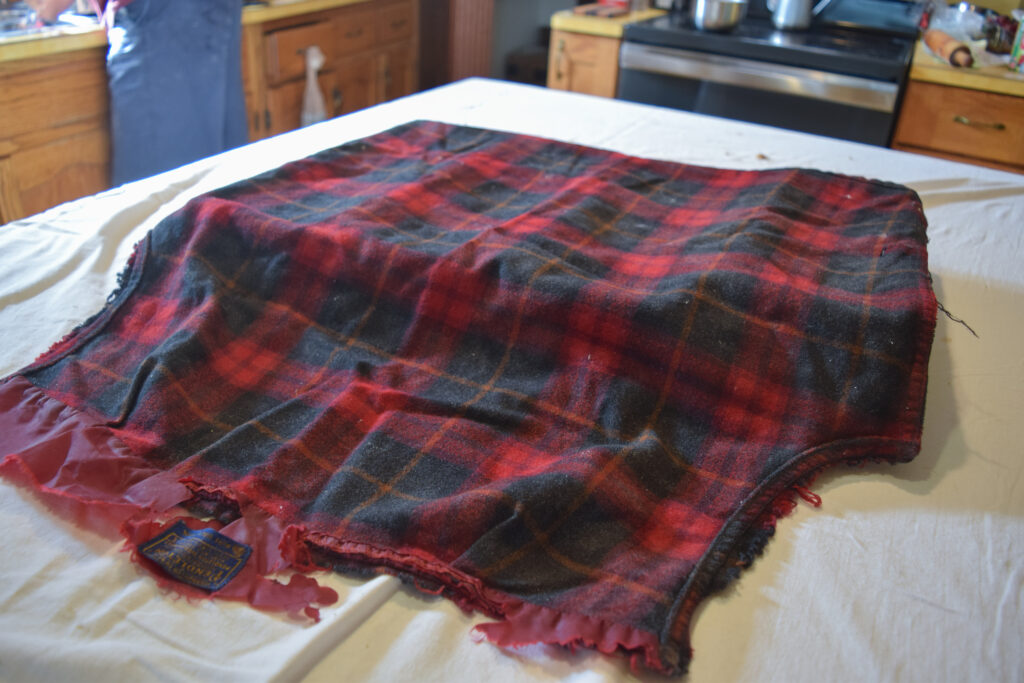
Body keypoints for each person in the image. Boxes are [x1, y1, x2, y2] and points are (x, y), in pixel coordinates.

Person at [27, 0, 248, 186]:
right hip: (204, 12)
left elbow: (48, 6)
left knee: (159, 196)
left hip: (161, 19)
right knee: (220, 184)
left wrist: (47, 8)